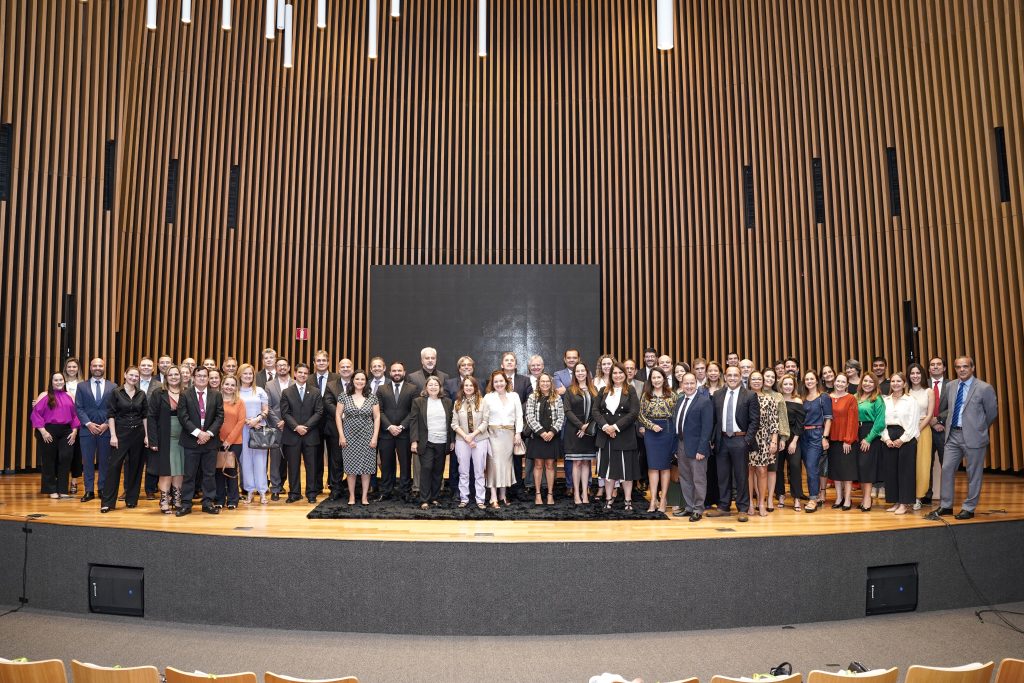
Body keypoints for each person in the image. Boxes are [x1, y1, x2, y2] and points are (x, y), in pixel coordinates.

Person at [926, 356, 998, 521]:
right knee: (947, 469)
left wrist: (978, 428)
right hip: (953, 435)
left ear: (972, 368)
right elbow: (949, 410)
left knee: (973, 474)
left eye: (965, 366)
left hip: (974, 437)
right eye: (958, 367)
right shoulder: (951, 386)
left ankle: (969, 507)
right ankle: (946, 505)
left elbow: (991, 413)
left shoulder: (984, 388)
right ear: (955, 369)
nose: (962, 370)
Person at [707, 366, 759, 522]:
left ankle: (742, 508)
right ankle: (723, 506)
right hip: (722, 440)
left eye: (736, 375)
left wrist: (746, 440)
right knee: (722, 475)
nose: (732, 378)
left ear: (740, 376)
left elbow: (755, 421)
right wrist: (712, 440)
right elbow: (714, 420)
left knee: (741, 476)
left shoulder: (749, 395)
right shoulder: (717, 395)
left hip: (740, 440)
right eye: (729, 375)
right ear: (725, 376)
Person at [100, 367, 150, 513]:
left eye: (136, 376)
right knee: (114, 467)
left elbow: (145, 416)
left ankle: (132, 499)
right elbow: (111, 415)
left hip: (138, 433)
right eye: (131, 375)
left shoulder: (142, 394)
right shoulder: (116, 392)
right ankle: (107, 502)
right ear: (125, 375)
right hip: (120, 434)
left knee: (136, 467)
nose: (134, 378)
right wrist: (113, 435)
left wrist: (147, 435)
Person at [176, 367, 224, 516]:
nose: (202, 378)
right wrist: (198, 433)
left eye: (205, 376)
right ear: (193, 377)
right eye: (199, 376)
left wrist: (208, 434)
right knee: (189, 474)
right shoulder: (185, 394)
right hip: (191, 441)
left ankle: (208, 502)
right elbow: (183, 417)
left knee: (209, 474)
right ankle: (186, 504)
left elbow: (219, 416)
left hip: (210, 441)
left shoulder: (216, 395)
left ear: (208, 378)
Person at [593, 363, 641, 510]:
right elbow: (595, 411)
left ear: (625, 375)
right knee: (608, 470)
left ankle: (627, 500)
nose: (618, 375)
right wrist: (606, 427)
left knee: (626, 470)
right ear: (610, 375)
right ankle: (608, 499)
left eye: (621, 373)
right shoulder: (603, 390)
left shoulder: (631, 390)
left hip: (624, 435)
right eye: (615, 373)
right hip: (606, 436)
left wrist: (615, 427)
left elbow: (633, 413)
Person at [670, 373, 713, 521]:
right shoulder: (680, 399)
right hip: (681, 445)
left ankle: (698, 509)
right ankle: (689, 507)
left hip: (697, 449)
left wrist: (702, 449)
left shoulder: (704, 401)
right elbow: (677, 424)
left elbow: (707, 428)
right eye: (686, 383)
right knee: (685, 478)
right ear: (681, 385)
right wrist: (676, 447)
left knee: (698, 479)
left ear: (696, 384)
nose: (688, 386)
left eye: (691, 383)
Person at [31, 372, 80, 498]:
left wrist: (74, 431)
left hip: (66, 431)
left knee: (66, 458)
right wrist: (43, 432)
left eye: (61, 380)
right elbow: (36, 414)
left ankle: (63, 489)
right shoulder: (44, 395)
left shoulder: (69, 395)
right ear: (51, 382)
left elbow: (75, 415)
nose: (59, 382)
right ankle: (51, 490)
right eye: (56, 380)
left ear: (64, 381)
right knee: (49, 460)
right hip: (48, 430)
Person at [280, 363, 324, 504]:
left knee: (311, 466)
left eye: (305, 373)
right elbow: (285, 413)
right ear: (294, 373)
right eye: (300, 372)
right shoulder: (287, 392)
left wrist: (306, 427)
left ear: (308, 375)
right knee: (293, 465)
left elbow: (319, 412)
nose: (302, 375)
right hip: (292, 435)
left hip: (310, 435)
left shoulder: (315, 392)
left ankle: (311, 493)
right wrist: (296, 427)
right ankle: (294, 493)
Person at [336, 370, 381, 506]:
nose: (360, 382)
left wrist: (374, 437)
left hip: (367, 436)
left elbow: (377, 417)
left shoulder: (372, 397)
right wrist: (341, 435)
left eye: (362, 379)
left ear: (366, 382)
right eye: (357, 379)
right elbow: (338, 416)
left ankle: (364, 497)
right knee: (350, 469)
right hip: (349, 436)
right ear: (352, 381)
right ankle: (351, 496)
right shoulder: (344, 396)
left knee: (366, 469)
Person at [409, 376, 454, 509]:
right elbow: (414, 422)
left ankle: (434, 497)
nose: (433, 387)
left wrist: (451, 440)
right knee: (426, 468)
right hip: (426, 441)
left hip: (443, 441)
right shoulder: (419, 401)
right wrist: (414, 441)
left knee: (438, 471)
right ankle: (424, 499)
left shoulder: (447, 402)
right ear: (426, 387)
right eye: (430, 385)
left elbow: (451, 422)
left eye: (436, 385)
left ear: (440, 387)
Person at [377, 361, 418, 501]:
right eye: (394, 371)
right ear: (389, 373)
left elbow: (413, 411)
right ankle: (386, 491)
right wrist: (389, 426)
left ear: (404, 372)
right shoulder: (382, 389)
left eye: (399, 371)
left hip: (404, 433)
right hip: (386, 433)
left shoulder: (412, 389)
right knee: (386, 464)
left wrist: (401, 426)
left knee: (405, 464)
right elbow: (379, 411)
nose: (397, 373)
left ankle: (405, 491)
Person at [75, 358, 115, 503]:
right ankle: (89, 490)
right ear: (90, 367)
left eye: (100, 365)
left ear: (104, 367)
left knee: (105, 462)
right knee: (87, 462)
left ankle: (102, 489)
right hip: (87, 430)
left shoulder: (113, 386)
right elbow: (78, 408)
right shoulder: (81, 386)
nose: (97, 368)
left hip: (106, 430)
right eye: (95, 365)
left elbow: (114, 409)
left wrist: (106, 424)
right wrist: (88, 424)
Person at [881, 372, 921, 515]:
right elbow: (881, 422)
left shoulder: (911, 401)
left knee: (906, 472)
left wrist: (902, 439)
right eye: (893, 381)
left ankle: (904, 503)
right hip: (889, 437)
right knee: (891, 471)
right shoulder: (885, 400)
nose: (896, 383)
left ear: (904, 384)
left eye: (899, 381)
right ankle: (896, 501)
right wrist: (886, 438)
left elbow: (914, 423)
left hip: (907, 438)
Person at [637, 368, 676, 513]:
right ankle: (653, 499)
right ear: (650, 380)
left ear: (664, 378)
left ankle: (663, 500)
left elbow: (676, 415)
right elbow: (640, 415)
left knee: (665, 466)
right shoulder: (646, 395)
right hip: (651, 433)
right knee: (653, 466)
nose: (657, 380)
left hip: (667, 430)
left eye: (659, 377)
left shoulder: (672, 395)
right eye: (654, 378)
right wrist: (651, 426)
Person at [483, 370, 523, 508]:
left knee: (506, 466)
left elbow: (519, 416)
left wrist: (518, 433)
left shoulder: (514, 396)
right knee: (493, 465)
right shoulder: (488, 397)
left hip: (509, 436)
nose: (499, 384)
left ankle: (503, 495)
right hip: (493, 435)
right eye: (496, 382)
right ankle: (493, 497)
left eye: (501, 381)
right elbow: (484, 418)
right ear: (492, 384)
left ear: (506, 381)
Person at [148, 366, 185, 513]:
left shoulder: (186, 393)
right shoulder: (159, 393)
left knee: (179, 469)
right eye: (171, 375)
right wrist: (153, 440)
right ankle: (164, 500)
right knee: (166, 470)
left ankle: (177, 498)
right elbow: (151, 417)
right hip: (164, 437)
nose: (174, 377)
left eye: (177, 374)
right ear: (166, 377)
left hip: (183, 438)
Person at [525, 373, 564, 505]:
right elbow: (529, 417)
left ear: (551, 383)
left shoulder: (557, 397)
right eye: (542, 381)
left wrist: (552, 432)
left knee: (550, 465)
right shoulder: (532, 397)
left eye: (547, 381)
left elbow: (561, 417)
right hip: (537, 437)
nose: (545, 384)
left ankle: (550, 494)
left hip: (552, 437)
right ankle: (537, 494)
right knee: (538, 465)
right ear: (538, 383)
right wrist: (541, 432)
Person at [451, 376, 490, 508]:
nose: (468, 388)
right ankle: (464, 498)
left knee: (479, 472)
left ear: (475, 387)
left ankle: (480, 499)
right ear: (462, 388)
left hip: (480, 440)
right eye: (466, 385)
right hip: (462, 441)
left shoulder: (483, 402)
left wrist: (472, 436)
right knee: (463, 471)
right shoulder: (457, 403)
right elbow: (454, 424)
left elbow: (485, 422)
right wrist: (466, 437)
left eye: (471, 385)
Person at [562, 362, 597, 505]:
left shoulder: (594, 390)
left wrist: (587, 427)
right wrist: (581, 426)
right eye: (578, 371)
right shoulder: (570, 390)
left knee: (586, 463)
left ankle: (585, 493)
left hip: (588, 432)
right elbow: (567, 411)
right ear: (574, 374)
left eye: (583, 370)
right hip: (574, 432)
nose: (580, 373)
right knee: (576, 462)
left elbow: (597, 410)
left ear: (587, 373)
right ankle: (576, 493)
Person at [236, 364, 270, 504]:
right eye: (245, 374)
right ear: (240, 375)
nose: (248, 376)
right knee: (246, 461)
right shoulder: (236, 392)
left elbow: (266, 410)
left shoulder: (260, 390)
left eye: (250, 374)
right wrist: (245, 421)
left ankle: (262, 492)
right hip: (241, 429)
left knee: (260, 461)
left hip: (258, 429)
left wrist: (257, 419)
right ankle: (249, 491)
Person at [799, 370, 832, 512]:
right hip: (803, 435)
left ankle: (812, 499)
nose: (809, 381)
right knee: (809, 468)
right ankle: (817, 494)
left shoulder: (823, 397)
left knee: (812, 467)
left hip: (817, 434)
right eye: (807, 379)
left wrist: (825, 437)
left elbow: (828, 419)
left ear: (817, 380)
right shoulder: (803, 397)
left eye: (812, 379)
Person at [746, 372, 779, 517]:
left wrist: (774, 440)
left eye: (759, 379)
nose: (757, 381)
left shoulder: (770, 399)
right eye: (754, 379)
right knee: (748, 471)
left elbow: (774, 422)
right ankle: (750, 504)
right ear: (749, 381)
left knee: (762, 470)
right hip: (747, 438)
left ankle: (761, 503)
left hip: (764, 439)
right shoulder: (744, 397)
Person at [310, 350, 339, 498]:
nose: (321, 363)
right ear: (314, 363)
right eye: (318, 361)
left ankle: (334, 485)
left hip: (333, 423)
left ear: (328, 362)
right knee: (316, 456)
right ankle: (316, 486)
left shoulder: (337, 378)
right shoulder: (308, 379)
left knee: (335, 456)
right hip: (314, 424)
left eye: (323, 360)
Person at [827, 374, 859, 510]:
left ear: (847, 385)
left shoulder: (851, 398)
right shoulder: (828, 397)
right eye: (838, 381)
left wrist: (848, 440)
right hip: (832, 439)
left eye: (843, 382)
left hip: (846, 440)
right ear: (834, 382)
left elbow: (853, 420)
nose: (840, 383)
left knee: (847, 472)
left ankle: (847, 499)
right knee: (836, 471)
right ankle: (838, 497)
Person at [906, 363, 935, 510]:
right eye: (912, 373)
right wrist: (910, 431)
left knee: (922, 464)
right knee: (908, 465)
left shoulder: (928, 391)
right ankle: (906, 496)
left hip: (923, 430)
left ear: (922, 375)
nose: (915, 376)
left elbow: (930, 414)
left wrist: (917, 430)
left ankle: (918, 497)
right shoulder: (906, 391)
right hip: (906, 431)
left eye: (918, 373)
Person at [855, 374, 885, 511]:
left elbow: (880, 423)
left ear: (875, 384)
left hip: (869, 433)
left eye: (871, 382)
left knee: (866, 466)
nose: (867, 384)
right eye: (865, 381)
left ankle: (867, 498)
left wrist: (868, 438)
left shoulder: (877, 399)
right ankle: (865, 496)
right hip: (855, 432)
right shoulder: (854, 397)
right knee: (860, 467)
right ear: (861, 382)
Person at [761, 368, 790, 512]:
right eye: (767, 376)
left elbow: (782, 418)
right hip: (758, 437)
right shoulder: (754, 393)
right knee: (758, 470)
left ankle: (771, 498)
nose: (770, 379)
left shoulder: (778, 396)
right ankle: (760, 498)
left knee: (772, 469)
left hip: (773, 436)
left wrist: (783, 438)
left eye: (773, 377)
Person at [264, 358, 293, 500]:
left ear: (288, 367)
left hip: (292, 427)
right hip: (275, 427)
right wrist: (278, 422)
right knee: (275, 459)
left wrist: (287, 422)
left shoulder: (295, 383)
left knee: (292, 458)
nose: (282, 368)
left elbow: (299, 406)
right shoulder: (269, 385)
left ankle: (292, 488)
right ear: (276, 368)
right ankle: (275, 488)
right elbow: (267, 406)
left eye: (284, 365)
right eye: (279, 366)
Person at [921, 356, 949, 504]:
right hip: (926, 429)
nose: (935, 367)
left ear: (944, 368)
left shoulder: (951, 385)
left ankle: (946, 495)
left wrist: (938, 420)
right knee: (926, 463)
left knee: (947, 464)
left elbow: (954, 406)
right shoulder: (923, 385)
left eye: (939, 364)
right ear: (929, 368)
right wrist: (931, 422)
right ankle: (927, 494)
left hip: (944, 429)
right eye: (932, 365)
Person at [214, 375, 244, 509]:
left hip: (235, 442)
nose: (229, 387)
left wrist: (229, 440)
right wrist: (219, 440)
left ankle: (233, 500)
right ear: (222, 385)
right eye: (227, 384)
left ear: (236, 387)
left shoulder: (239, 402)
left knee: (231, 470)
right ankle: (219, 499)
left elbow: (241, 422)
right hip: (216, 441)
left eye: (232, 385)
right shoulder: (216, 399)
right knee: (218, 471)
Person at [777, 374, 805, 510]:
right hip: (778, 438)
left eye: (790, 384)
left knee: (795, 466)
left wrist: (794, 441)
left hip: (794, 438)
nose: (788, 387)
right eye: (785, 384)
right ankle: (781, 495)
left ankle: (797, 498)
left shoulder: (798, 401)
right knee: (777, 468)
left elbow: (800, 424)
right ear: (781, 386)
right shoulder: (777, 399)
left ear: (794, 386)